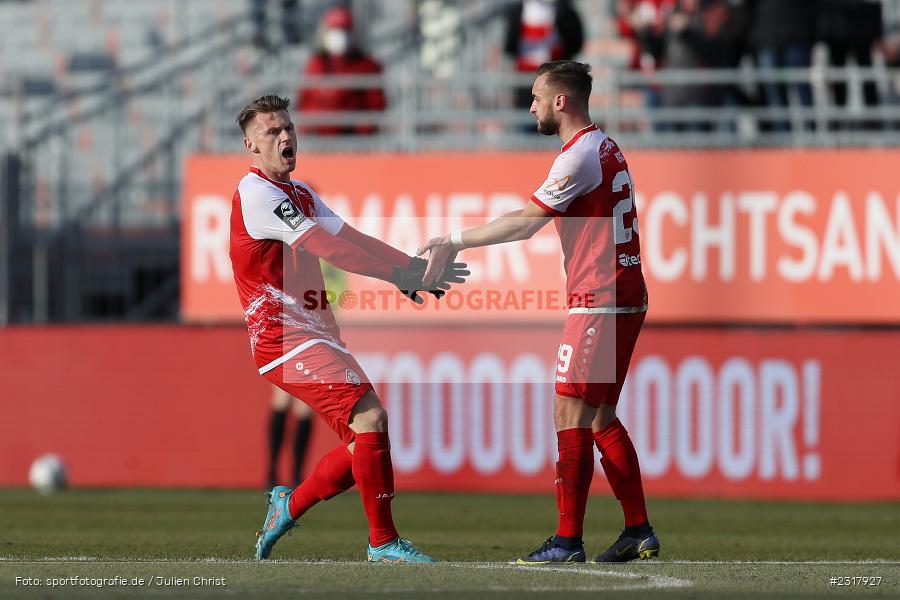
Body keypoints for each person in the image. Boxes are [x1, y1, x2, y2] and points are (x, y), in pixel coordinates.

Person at [418, 61, 657, 564]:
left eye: (535, 97)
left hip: (600, 297)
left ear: (560, 102)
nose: (530, 106)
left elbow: (525, 224)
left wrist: (453, 240)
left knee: (569, 410)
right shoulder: (605, 145)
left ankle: (567, 541)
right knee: (600, 417)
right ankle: (637, 531)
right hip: (627, 293)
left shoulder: (578, 157)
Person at [230, 94, 467, 562]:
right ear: (250, 146)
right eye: (270, 132)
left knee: (367, 439)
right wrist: (401, 275)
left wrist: (410, 268)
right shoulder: (256, 193)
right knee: (371, 419)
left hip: (313, 329)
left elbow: (349, 237)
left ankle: (288, 505)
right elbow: (325, 246)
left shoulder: (300, 193)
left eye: (288, 128)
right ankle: (382, 543)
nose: (283, 136)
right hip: (281, 336)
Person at [296, 7, 386, 136]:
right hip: (321, 138)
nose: (340, 36)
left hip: (354, 138)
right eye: (334, 30)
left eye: (344, 30)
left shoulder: (366, 66)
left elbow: (375, 105)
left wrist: (364, 128)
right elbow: (306, 102)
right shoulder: (316, 64)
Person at [504, 0, 584, 113]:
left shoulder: (564, 11)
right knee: (526, 118)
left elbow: (575, 43)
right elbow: (509, 46)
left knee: (555, 116)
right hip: (525, 80)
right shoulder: (518, 11)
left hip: (555, 79)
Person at [265, 384, 313, 489]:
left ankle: (296, 475)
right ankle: (272, 471)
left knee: (305, 408)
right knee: (282, 400)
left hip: (314, 367)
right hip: (287, 367)